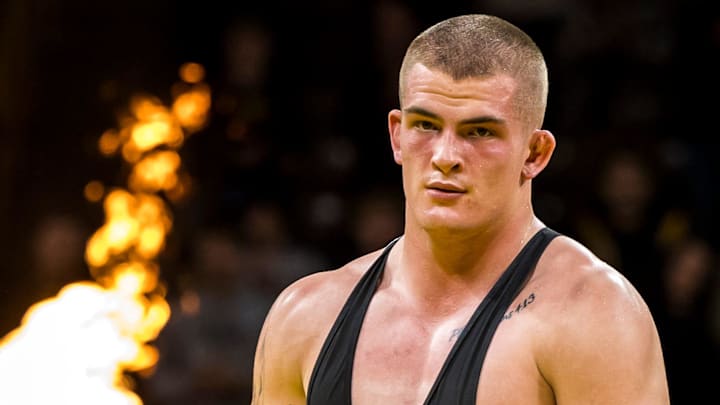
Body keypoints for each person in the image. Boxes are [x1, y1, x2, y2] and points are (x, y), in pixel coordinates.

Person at [251, 14, 669, 404]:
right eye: (426, 126)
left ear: (535, 153)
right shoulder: (306, 315)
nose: (446, 156)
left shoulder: (593, 316)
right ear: (397, 136)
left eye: (480, 131)